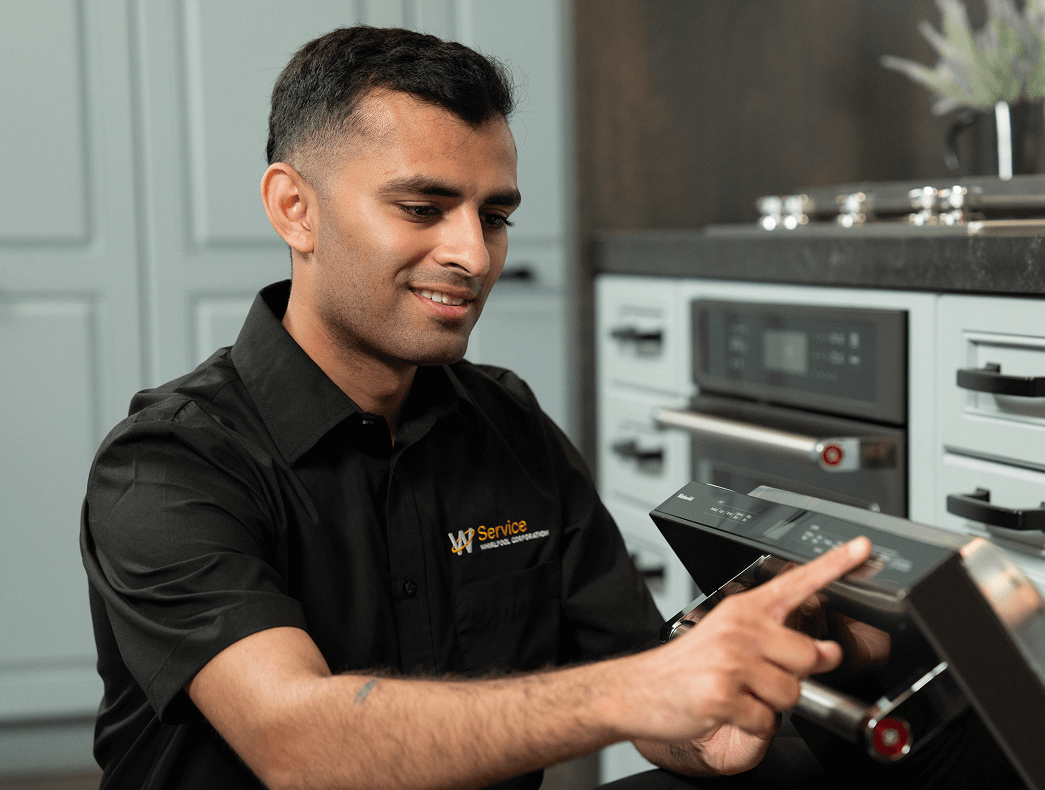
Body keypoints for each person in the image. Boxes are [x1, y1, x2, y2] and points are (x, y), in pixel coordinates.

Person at [80, 25, 871, 790]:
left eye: (493, 218)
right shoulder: (166, 467)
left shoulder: (510, 426)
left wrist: (709, 725)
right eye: (422, 209)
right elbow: (299, 744)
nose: (473, 255)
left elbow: (641, 684)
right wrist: (639, 690)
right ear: (295, 208)